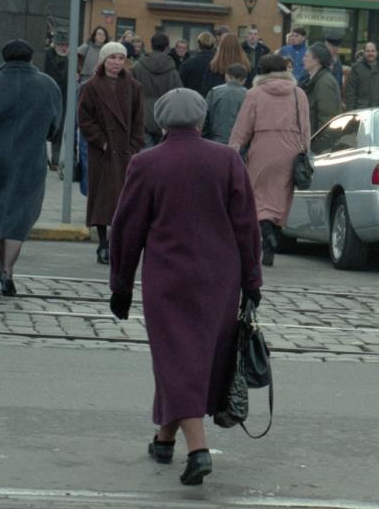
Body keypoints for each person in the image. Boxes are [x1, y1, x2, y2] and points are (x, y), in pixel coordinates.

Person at [108, 88, 262, 486]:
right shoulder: (227, 160)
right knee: (190, 360)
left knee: (176, 358)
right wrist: (252, 281)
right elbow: (247, 225)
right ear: (201, 119)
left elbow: (127, 229)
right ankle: (164, 439)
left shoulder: (146, 163)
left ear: (161, 122)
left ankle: (197, 451)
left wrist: (121, 285)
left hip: (168, 279)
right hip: (219, 280)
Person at [0, 40, 60, 296]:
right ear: (30, 57)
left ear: (4, 57)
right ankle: (7, 269)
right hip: (30, 160)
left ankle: (2, 267)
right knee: (21, 215)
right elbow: (53, 128)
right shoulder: (48, 85)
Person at [228, 54, 310, 267]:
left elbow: (243, 126)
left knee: (258, 194)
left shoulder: (254, 93)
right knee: (281, 196)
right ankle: (273, 241)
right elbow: (305, 125)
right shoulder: (298, 93)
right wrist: (305, 151)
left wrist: (233, 149)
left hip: (262, 147)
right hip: (291, 148)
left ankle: (266, 235)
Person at [78, 41, 145, 265]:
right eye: (112, 58)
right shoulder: (92, 86)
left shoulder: (134, 86)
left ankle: (116, 243)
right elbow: (84, 118)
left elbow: (139, 120)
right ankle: (103, 244)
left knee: (123, 199)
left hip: (125, 151)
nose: (117, 62)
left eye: (120, 58)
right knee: (101, 198)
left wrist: (134, 147)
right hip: (102, 152)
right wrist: (102, 142)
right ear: (104, 60)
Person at [132, 32, 183, 148]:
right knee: (163, 154)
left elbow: (130, 93)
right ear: (166, 47)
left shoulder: (138, 66)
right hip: (165, 116)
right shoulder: (172, 70)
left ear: (151, 45)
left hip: (142, 115)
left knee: (145, 154)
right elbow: (179, 94)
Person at [302, 42, 340, 151]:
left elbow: (327, 120)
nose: (303, 59)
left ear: (316, 60)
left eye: (307, 56)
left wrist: (319, 148)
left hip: (319, 148)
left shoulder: (325, 83)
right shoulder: (314, 80)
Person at [43, 30, 70, 169]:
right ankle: (44, 158)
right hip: (46, 95)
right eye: (61, 45)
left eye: (66, 45)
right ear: (55, 44)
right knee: (43, 127)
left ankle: (55, 160)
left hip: (63, 97)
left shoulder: (71, 58)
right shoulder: (46, 55)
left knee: (58, 128)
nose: (64, 48)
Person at [202, 64, 248, 144]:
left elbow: (205, 116)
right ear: (244, 80)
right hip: (240, 142)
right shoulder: (249, 95)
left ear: (226, 76)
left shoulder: (214, 92)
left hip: (215, 140)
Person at [345, 42, 379, 110]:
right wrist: (351, 110)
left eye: (373, 51)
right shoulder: (356, 68)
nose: (370, 53)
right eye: (368, 51)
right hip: (361, 110)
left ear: (377, 52)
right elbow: (350, 92)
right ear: (364, 52)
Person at [178, 31, 218, 97]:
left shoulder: (188, 63)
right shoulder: (219, 63)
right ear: (213, 45)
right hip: (213, 99)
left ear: (198, 44)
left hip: (192, 98)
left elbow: (179, 85)